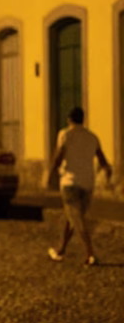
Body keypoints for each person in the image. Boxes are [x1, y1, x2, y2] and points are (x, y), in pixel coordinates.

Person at [47, 106, 112, 266]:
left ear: (69, 119)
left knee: (77, 220)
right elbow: (103, 160)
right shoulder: (93, 137)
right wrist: (108, 174)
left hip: (70, 183)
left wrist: (49, 175)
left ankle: (90, 253)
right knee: (74, 218)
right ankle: (61, 249)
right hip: (88, 184)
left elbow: (58, 157)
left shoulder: (65, 135)